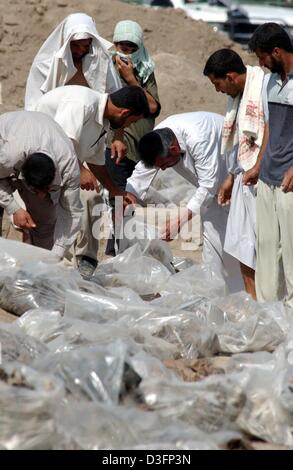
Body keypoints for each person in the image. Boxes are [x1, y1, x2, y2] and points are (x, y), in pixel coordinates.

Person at [35, 84, 149, 276]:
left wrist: (116, 191)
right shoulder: (82, 104)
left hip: (63, 163)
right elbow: (60, 141)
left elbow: (96, 162)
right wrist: (81, 170)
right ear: (124, 113)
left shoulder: (102, 122)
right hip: (38, 161)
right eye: (130, 122)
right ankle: (43, 266)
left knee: (92, 197)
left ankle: (86, 260)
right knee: (49, 217)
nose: (126, 126)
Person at [126, 112, 244, 293]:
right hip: (212, 193)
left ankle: (251, 291)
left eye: (164, 164)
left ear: (174, 149)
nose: (163, 169)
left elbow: (208, 186)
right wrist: (128, 199)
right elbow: (140, 175)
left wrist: (178, 221)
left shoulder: (198, 137)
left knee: (244, 240)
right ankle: (222, 292)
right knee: (215, 243)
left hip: (238, 177)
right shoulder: (157, 140)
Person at [203, 49, 268, 299]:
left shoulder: (261, 90)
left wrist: (258, 167)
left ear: (230, 77)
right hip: (243, 177)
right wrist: (231, 176)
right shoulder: (239, 97)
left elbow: (271, 134)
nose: (218, 90)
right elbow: (239, 141)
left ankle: (266, 300)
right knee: (241, 245)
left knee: (263, 246)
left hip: (262, 178)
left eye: (217, 83)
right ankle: (253, 301)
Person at [105, 20, 161, 255]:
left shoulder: (144, 70)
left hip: (141, 147)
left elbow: (153, 107)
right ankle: (117, 250)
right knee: (118, 198)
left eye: (131, 48)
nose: (126, 52)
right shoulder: (104, 66)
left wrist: (131, 79)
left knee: (131, 198)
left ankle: (125, 249)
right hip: (116, 145)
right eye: (121, 46)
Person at [248, 22, 293, 308]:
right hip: (268, 176)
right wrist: (258, 164)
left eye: (262, 57)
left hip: (290, 180)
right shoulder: (269, 82)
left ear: (276, 51)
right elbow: (267, 126)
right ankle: (267, 309)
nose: (262, 65)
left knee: (290, 249)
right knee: (265, 247)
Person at [0, 111, 82, 259]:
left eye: (47, 189)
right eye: (36, 191)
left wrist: (56, 254)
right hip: (7, 142)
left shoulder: (69, 168)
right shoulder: (9, 156)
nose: (42, 196)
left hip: (43, 137)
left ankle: (39, 269)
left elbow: (71, 212)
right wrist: (14, 208)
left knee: (46, 221)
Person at [25, 12, 121, 110]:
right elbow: (34, 104)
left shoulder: (101, 62)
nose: (80, 51)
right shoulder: (45, 65)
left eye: (86, 46)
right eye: (75, 45)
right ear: (66, 41)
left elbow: (113, 95)